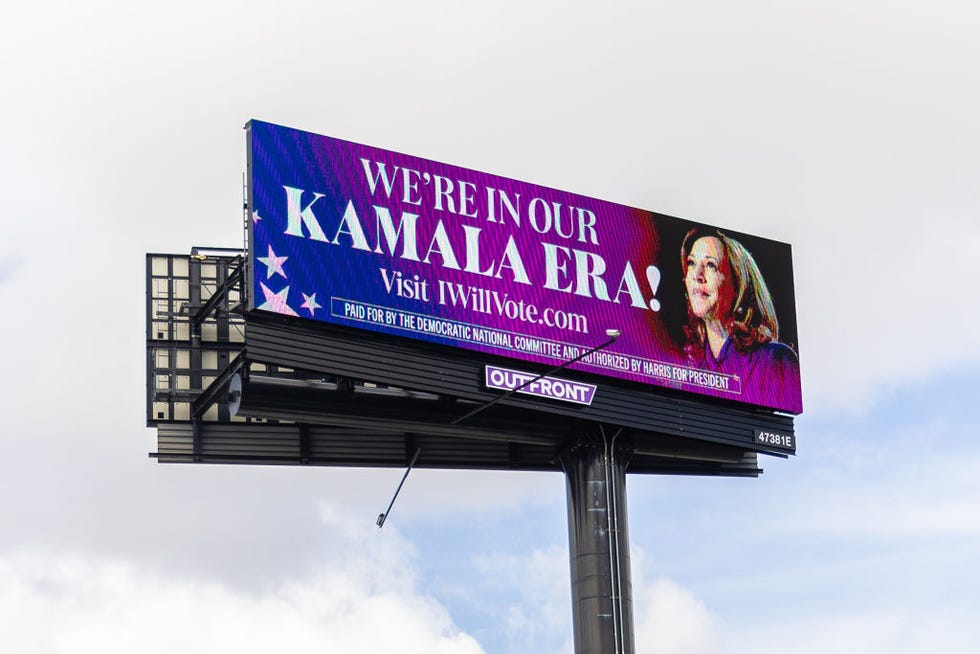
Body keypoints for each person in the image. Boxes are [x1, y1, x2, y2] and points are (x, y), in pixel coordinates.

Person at [680, 227, 801, 411]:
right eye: (691, 263)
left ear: (738, 284)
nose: (697, 276)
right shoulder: (691, 376)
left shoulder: (775, 361)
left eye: (710, 265)